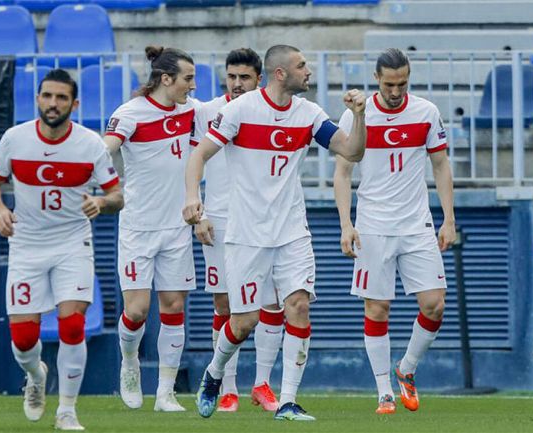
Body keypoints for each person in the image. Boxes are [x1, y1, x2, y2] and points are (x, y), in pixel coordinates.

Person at [183, 44, 367, 421]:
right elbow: (198, 155)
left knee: (297, 307)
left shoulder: (309, 114)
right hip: (246, 234)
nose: (309, 71)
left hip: (292, 232)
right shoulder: (238, 111)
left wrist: (358, 116)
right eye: (302, 65)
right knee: (243, 321)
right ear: (281, 73)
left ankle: (287, 401)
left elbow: (351, 152)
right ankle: (215, 372)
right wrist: (192, 197)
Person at [0, 69, 123, 431]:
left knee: (72, 325)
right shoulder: (15, 139)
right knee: (24, 339)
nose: (53, 103)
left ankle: (67, 411)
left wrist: (101, 203)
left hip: (72, 241)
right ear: (38, 100)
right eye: (47, 96)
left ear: (74, 104)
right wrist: (0, 210)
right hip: (27, 243)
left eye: (61, 98)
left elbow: (117, 195)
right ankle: (36, 375)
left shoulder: (90, 144)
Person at [332, 48, 454, 415]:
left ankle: (407, 369)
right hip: (373, 225)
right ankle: (384, 390)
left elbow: (441, 165)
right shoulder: (357, 114)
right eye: (389, 84)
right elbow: (342, 173)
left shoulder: (426, 112)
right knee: (378, 307)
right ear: (377, 79)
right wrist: (346, 224)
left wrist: (448, 218)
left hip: (417, 224)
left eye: (402, 83)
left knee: (434, 305)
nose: (396, 91)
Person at [104, 46, 198, 412]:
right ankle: (130, 363)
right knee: (139, 310)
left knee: (174, 306)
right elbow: (107, 148)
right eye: (187, 79)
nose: (193, 86)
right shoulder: (130, 113)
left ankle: (165, 393)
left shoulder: (192, 110)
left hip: (177, 226)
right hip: (139, 227)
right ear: (166, 79)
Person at [190, 48, 282, 413]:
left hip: (264, 221)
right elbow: (191, 157)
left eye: (244, 77)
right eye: (232, 76)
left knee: (271, 302)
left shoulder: (271, 110)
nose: (237, 84)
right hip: (220, 219)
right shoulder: (205, 112)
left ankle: (262, 384)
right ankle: (226, 387)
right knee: (226, 303)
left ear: (258, 79)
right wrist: (199, 213)